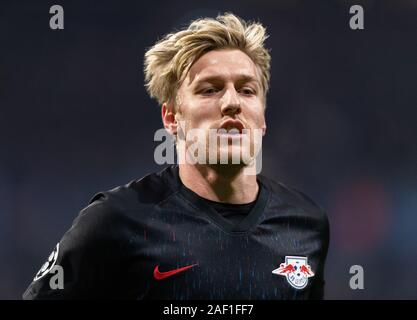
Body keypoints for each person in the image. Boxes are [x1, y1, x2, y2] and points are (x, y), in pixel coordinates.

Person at [23, 13, 329, 300]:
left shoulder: (306, 224)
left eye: (247, 90)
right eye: (210, 90)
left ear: (262, 118)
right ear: (171, 118)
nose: (232, 102)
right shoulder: (116, 221)